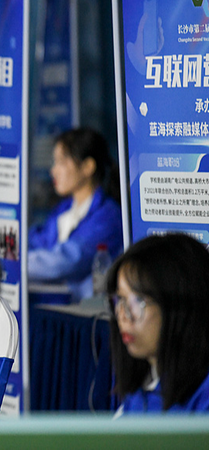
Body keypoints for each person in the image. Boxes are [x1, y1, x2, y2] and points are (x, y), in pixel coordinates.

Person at [107, 234, 209, 415]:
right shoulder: (144, 385)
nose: (123, 315)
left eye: (138, 301)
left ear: (182, 307)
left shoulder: (203, 396)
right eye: (120, 300)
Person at [27, 127, 122, 301]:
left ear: (87, 167)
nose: (53, 171)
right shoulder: (64, 210)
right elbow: (38, 241)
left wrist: (11, 264)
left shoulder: (108, 217)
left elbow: (67, 261)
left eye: (61, 162)